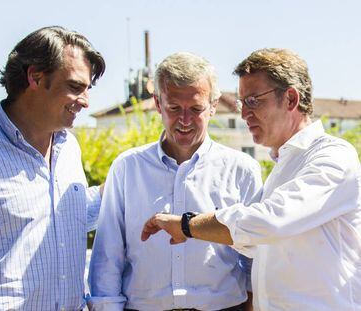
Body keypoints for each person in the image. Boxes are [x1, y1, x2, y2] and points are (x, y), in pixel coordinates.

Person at [141, 48, 361, 310]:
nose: (244, 114)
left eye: (253, 101)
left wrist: (187, 225)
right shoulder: (284, 166)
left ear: (290, 99)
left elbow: (268, 221)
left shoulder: (333, 156)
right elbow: (258, 243)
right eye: (241, 103)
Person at [0, 26, 106, 310]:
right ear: (35, 76)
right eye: (75, 87)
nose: (85, 102)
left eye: (87, 89)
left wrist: (121, 186)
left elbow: (67, 214)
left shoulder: (69, 147)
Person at [88, 52, 262, 311]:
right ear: (158, 103)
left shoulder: (242, 169)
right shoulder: (127, 168)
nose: (184, 120)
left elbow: (255, 260)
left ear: (213, 106)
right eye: (174, 108)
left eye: (196, 109)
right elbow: (108, 258)